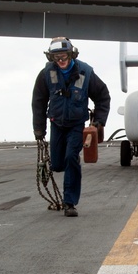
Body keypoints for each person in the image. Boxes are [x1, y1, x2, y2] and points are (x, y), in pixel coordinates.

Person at [32, 37, 110, 217]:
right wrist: (38, 129)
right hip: (56, 124)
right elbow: (39, 102)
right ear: (51, 58)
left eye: (64, 56)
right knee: (58, 164)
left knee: (71, 158)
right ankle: (68, 167)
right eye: (56, 57)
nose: (61, 60)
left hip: (76, 125)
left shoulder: (86, 72)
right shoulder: (46, 74)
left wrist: (98, 121)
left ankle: (69, 202)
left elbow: (103, 96)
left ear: (71, 54)